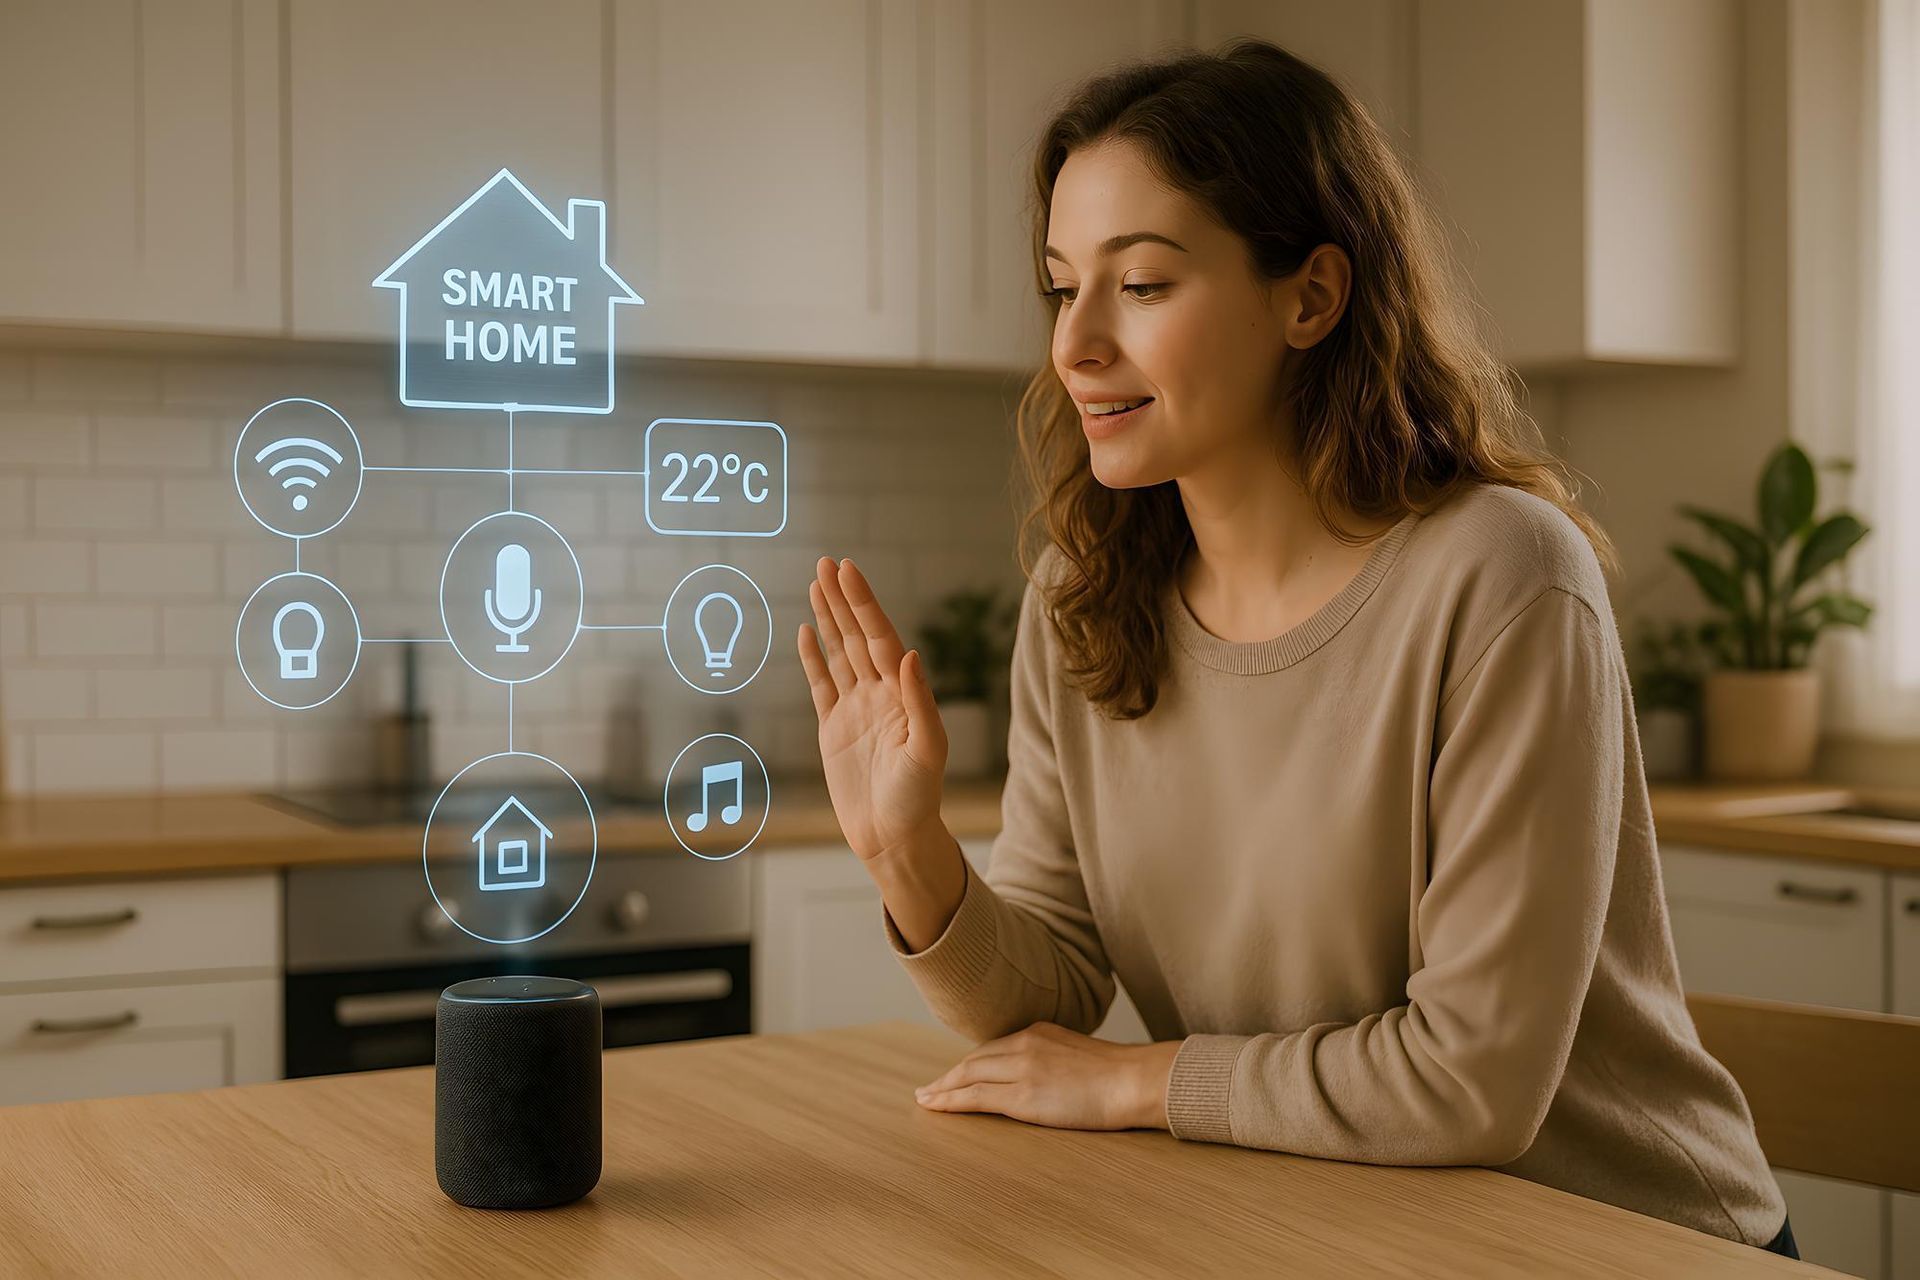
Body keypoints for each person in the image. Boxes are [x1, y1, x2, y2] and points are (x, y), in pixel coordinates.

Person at [796, 39, 1795, 1259]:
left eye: (1144, 284)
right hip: (1330, 1226)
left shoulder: (1504, 578)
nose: (1076, 345)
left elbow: (1474, 1080)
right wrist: (910, 854)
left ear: (1310, 296)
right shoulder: (1084, 595)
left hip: (1618, 1243)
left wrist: (1137, 1084)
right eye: (1064, 287)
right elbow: (1046, 996)